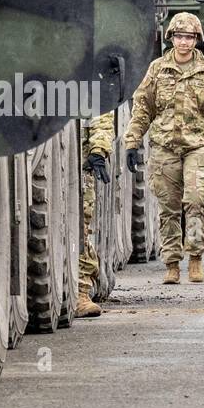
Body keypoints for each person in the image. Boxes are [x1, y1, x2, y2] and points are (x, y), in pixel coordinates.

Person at [124, 11, 204, 285]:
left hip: (199, 146)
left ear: (196, 40)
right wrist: (132, 141)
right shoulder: (157, 70)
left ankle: (196, 258)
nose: (184, 42)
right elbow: (142, 108)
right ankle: (172, 263)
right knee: (169, 207)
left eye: (189, 37)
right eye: (179, 36)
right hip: (164, 147)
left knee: (197, 200)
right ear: (171, 38)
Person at [77, 112, 116, 318]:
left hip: (81, 165)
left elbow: (101, 112)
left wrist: (98, 150)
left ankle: (81, 293)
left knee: (79, 229)